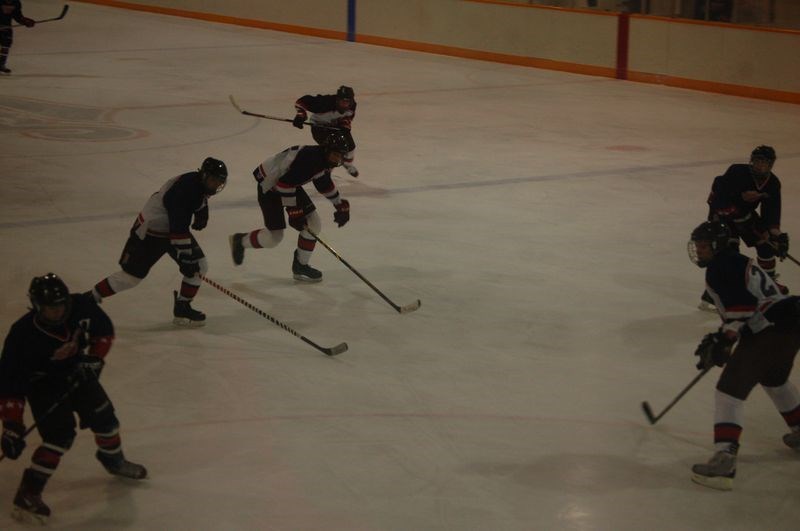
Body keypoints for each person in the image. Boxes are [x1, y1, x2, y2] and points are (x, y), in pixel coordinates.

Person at [0, 273, 147, 524]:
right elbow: (10, 386)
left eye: (60, 306)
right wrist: (12, 426)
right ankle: (29, 492)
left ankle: (113, 460)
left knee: (106, 421)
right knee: (59, 437)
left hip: (78, 372)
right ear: (37, 306)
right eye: (50, 308)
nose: (58, 312)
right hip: (43, 385)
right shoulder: (22, 335)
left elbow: (104, 332)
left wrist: (95, 358)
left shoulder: (80, 306)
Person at [687, 221, 800, 491]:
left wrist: (724, 338)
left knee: (729, 390)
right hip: (791, 321)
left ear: (717, 245)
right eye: (698, 246)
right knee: (775, 379)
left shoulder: (719, 267)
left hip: (770, 329)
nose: (699, 251)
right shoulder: (736, 260)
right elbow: (770, 294)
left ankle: (724, 459)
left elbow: (743, 306)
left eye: (704, 246)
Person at [89, 157, 227, 326]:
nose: (214, 185)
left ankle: (182, 307)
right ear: (203, 176)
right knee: (131, 278)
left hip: (171, 230)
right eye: (212, 180)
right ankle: (89, 298)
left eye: (218, 182)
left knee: (199, 265)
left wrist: (201, 213)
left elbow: (194, 206)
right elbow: (178, 226)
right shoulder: (186, 190)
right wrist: (185, 257)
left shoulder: (197, 184)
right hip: (151, 232)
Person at [228, 131, 354, 282]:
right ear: (326, 150)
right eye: (335, 154)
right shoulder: (311, 160)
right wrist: (294, 211)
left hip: (288, 184)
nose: (337, 159)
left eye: (340, 155)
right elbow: (283, 184)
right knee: (274, 238)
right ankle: (240, 241)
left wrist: (339, 204)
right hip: (270, 187)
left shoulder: (322, 160)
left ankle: (301, 265)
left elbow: (323, 183)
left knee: (314, 224)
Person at [699, 145, 789, 310]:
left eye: (764, 162)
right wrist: (738, 202)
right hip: (722, 215)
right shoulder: (737, 172)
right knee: (729, 253)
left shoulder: (773, 184)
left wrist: (777, 236)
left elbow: (771, 215)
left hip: (745, 215)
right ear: (751, 161)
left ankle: (766, 287)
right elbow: (719, 196)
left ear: (771, 165)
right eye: (757, 161)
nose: (759, 165)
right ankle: (713, 295)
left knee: (766, 246)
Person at [292, 85, 359, 177]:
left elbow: (348, 117)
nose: (344, 104)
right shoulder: (324, 103)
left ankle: (347, 164)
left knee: (350, 146)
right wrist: (301, 115)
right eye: (341, 101)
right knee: (331, 150)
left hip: (335, 126)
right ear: (337, 99)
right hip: (319, 128)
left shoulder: (352, 106)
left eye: (347, 102)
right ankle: (325, 172)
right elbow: (301, 101)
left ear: (351, 101)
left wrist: (344, 124)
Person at [0, 0, 35, 74]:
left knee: (6, 44)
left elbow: (17, 15)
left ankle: (1, 64)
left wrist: (24, 21)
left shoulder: (16, 2)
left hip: (6, 26)